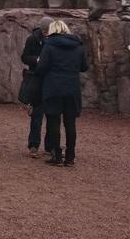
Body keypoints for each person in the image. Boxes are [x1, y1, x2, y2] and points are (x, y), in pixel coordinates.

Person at [35, 20, 88, 167]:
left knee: (53, 122)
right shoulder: (78, 46)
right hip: (72, 87)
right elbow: (84, 67)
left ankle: (56, 155)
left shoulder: (49, 45)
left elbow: (41, 68)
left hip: (53, 87)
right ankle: (70, 156)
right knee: (70, 123)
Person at [21, 16, 53, 157]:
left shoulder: (54, 39)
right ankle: (33, 145)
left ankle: (50, 146)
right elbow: (25, 57)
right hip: (37, 78)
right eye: (45, 31)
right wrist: (36, 60)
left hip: (51, 79)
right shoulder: (33, 39)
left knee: (52, 115)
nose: (46, 33)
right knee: (37, 115)